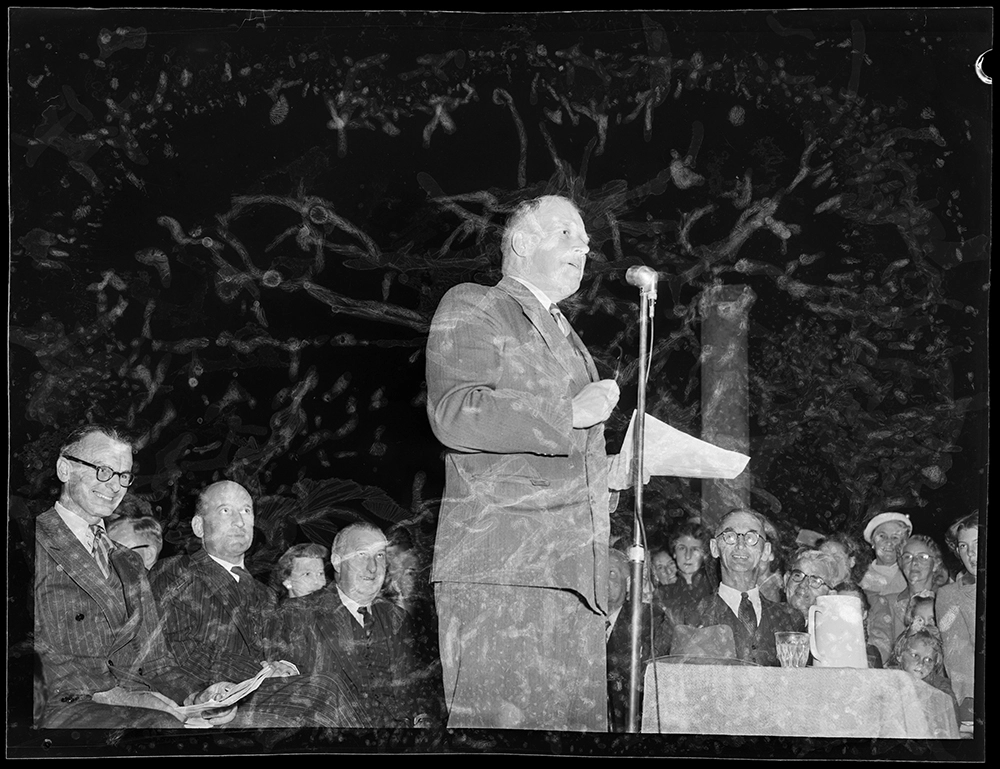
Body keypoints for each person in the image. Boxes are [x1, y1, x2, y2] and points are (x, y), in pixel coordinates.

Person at [425, 194, 622, 731]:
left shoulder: (567, 334)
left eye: (585, 240)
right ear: (519, 242)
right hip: (503, 569)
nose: (582, 246)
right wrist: (567, 412)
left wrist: (614, 472)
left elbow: (561, 451)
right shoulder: (475, 304)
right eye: (565, 233)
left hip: (573, 576)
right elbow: (454, 411)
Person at [33, 424, 236, 728]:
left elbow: (159, 664)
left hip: (138, 706)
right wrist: (126, 698)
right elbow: (36, 661)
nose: (114, 486)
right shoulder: (29, 542)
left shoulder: (129, 561)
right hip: (62, 710)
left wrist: (197, 697)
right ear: (64, 469)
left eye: (123, 476)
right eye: (103, 470)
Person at [150, 480, 372, 728]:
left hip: (261, 696)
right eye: (226, 511)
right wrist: (259, 671)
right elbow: (177, 647)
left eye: (246, 511)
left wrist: (286, 667)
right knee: (325, 690)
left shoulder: (263, 593)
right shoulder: (175, 572)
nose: (239, 521)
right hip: (209, 701)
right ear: (199, 526)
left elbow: (279, 649)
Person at [271, 522, 430, 728]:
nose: (372, 568)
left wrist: (422, 721)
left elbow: (417, 691)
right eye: (361, 554)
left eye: (379, 556)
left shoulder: (398, 617)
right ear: (337, 562)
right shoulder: (297, 614)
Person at [671, 509, 803, 666]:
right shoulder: (686, 618)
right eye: (730, 537)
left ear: (766, 551)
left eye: (751, 538)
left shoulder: (790, 619)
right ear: (714, 548)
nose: (740, 545)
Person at [867, 534, 948, 667]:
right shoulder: (886, 602)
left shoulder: (945, 602)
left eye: (922, 557)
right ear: (900, 563)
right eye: (907, 557)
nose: (914, 562)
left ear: (936, 564)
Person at [936, 512, 978, 717]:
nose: (971, 553)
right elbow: (959, 660)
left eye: (979, 542)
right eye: (963, 546)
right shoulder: (950, 596)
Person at [656, 520, 716, 620]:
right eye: (682, 548)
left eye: (695, 549)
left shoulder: (714, 591)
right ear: (674, 553)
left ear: (704, 555)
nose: (688, 556)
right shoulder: (663, 595)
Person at [859, 512, 912, 601]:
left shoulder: (912, 574)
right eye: (882, 536)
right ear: (873, 542)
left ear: (904, 543)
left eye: (895, 537)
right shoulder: (859, 578)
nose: (889, 542)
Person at [834, 582, 884, 668]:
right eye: (841, 606)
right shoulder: (816, 648)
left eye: (853, 607)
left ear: (864, 614)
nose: (846, 613)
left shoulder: (871, 654)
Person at [784, 549, 839, 621]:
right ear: (786, 580)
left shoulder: (834, 630)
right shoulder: (767, 618)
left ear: (830, 595)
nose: (803, 585)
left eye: (815, 581)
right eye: (798, 575)